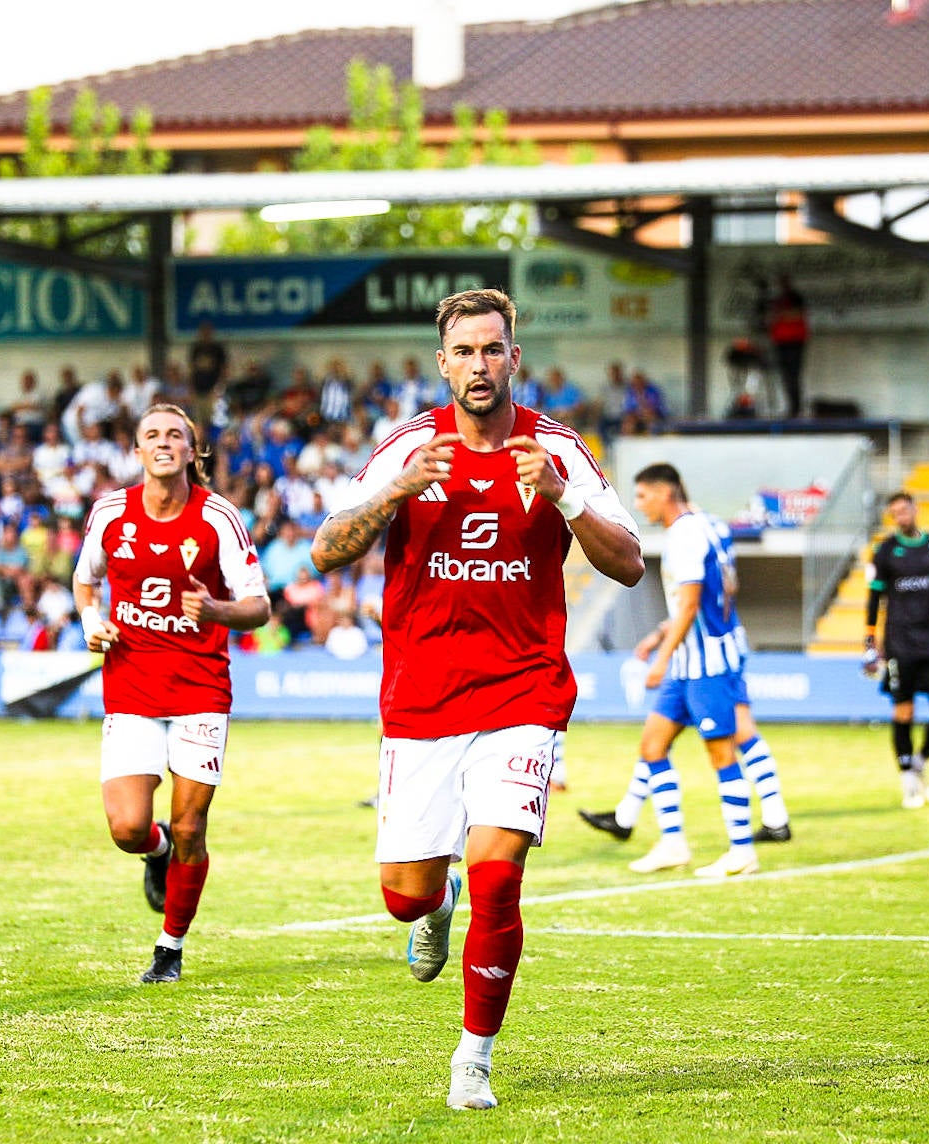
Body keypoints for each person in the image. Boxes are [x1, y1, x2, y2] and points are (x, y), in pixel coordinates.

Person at [310, 288, 643, 1111]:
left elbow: (631, 563)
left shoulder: (558, 448)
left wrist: (564, 496)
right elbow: (324, 552)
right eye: (465, 352)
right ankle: (435, 904)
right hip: (422, 699)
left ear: (514, 358)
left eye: (493, 349)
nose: (480, 365)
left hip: (523, 692)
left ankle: (474, 1057)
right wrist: (394, 495)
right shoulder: (408, 447)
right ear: (443, 364)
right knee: (404, 894)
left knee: (500, 875)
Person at [72, 403, 270, 984]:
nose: (163, 442)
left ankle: (170, 948)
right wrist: (90, 621)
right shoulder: (111, 512)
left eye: (175, 435)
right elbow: (86, 580)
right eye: (151, 435)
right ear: (137, 452)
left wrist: (215, 609)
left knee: (190, 827)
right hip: (130, 685)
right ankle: (156, 856)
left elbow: (259, 607)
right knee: (128, 830)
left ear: (192, 451)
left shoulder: (219, 519)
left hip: (200, 690)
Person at [580, 484, 791, 872]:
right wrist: (663, 636)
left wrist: (661, 657)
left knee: (723, 751)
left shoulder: (683, 536)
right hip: (694, 659)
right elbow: (721, 589)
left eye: (643, 496)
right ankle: (673, 843)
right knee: (653, 746)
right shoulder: (711, 526)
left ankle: (743, 849)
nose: (638, 504)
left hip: (707, 664)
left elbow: (692, 602)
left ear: (664, 493)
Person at [862, 492, 929, 810]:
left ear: (915, 510)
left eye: (904, 511)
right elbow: (875, 598)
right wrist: (869, 639)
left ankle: (920, 760)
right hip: (899, 644)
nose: (901, 517)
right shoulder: (886, 550)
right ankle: (908, 781)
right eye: (895, 514)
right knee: (903, 713)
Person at [766, 273, 809, 418]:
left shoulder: (795, 297)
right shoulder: (777, 300)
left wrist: (780, 314)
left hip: (795, 341)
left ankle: (796, 408)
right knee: (785, 375)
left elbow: (798, 313)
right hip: (780, 341)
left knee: (794, 375)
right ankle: (791, 407)